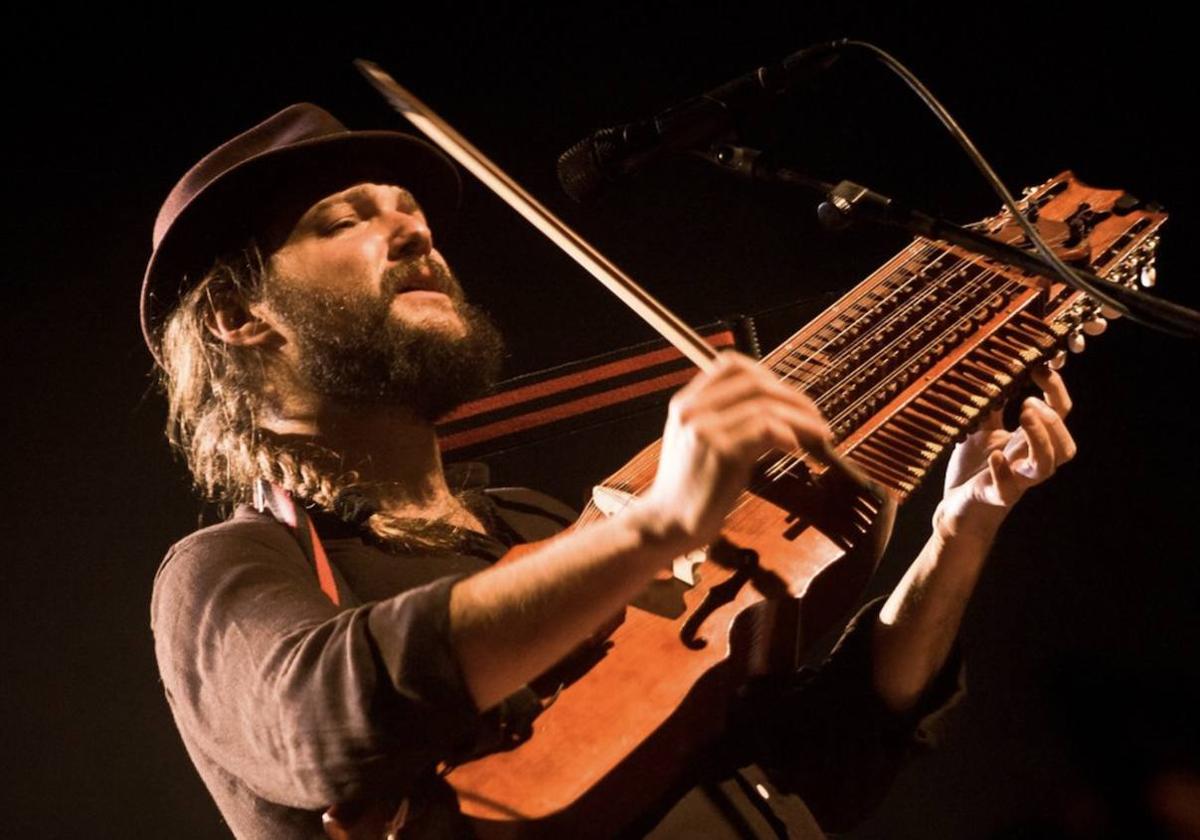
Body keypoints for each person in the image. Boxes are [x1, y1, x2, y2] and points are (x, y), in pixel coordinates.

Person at [146, 104, 1077, 839]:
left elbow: (805, 771)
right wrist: (654, 527)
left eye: (415, 217)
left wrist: (963, 525)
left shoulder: (537, 525)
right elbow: (324, 716)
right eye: (346, 220)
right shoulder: (225, 571)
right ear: (235, 313)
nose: (415, 236)